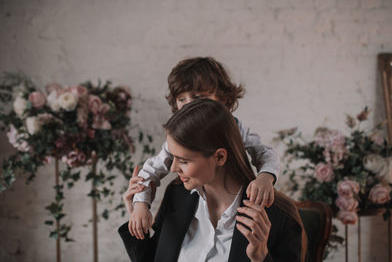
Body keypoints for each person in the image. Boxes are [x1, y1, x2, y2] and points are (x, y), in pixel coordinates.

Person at [119, 99, 306, 262]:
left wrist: (260, 257)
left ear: (219, 157)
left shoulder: (279, 218)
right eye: (172, 157)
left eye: (183, 161)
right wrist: (136, 220)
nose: (173, 168)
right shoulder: (177, 196)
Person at [125, 57, 280, 240]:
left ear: (223, 99)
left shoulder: (236, 129)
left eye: (199, 97)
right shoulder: (175, 145)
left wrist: (265, 177)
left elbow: (264, 152)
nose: (190, 104)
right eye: (182, 99)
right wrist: (140, 204)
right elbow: (149, 171)